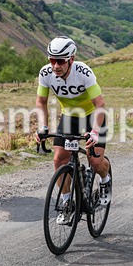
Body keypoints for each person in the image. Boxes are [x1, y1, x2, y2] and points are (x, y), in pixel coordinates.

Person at [35, 36, 111, 222]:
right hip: (70, 117)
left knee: (95, 161)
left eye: (60, 61)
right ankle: (67, 204)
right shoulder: (46, 74)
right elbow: (41, 101)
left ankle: (105, 181)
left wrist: (94, 131)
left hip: (93, 115)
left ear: (71, 59)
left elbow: (99, 103)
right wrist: (42, 127)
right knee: (59, 160)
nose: (55, 66)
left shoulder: (83, 72)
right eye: (52, 60)